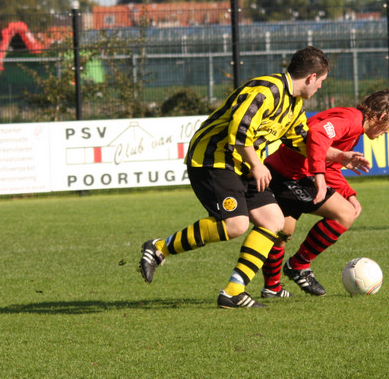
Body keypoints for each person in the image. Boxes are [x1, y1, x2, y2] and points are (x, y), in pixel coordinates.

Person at [138, 46, 330, 309]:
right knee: (236, 225)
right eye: (321, 81)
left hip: (244, 165)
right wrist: (257, 164)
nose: (320, 87)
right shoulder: (265, 90)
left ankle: (233, 292)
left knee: (274, 221)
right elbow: (239, 132)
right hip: (214, 159)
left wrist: (340, 156)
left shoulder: (294, 105)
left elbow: (302, 141)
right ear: (311, 77)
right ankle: (160, 247)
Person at [259, 89, 389, 299]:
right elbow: (317, 134)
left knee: (282, 232)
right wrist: (318, 175)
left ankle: (272, 288)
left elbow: (330, 165)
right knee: (344, 214)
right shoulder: (351, 120)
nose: (387, 132)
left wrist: (349, 194)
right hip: (292, 175)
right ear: (382, 117)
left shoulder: (353, 126)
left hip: (282, 171)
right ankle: (299, 265)